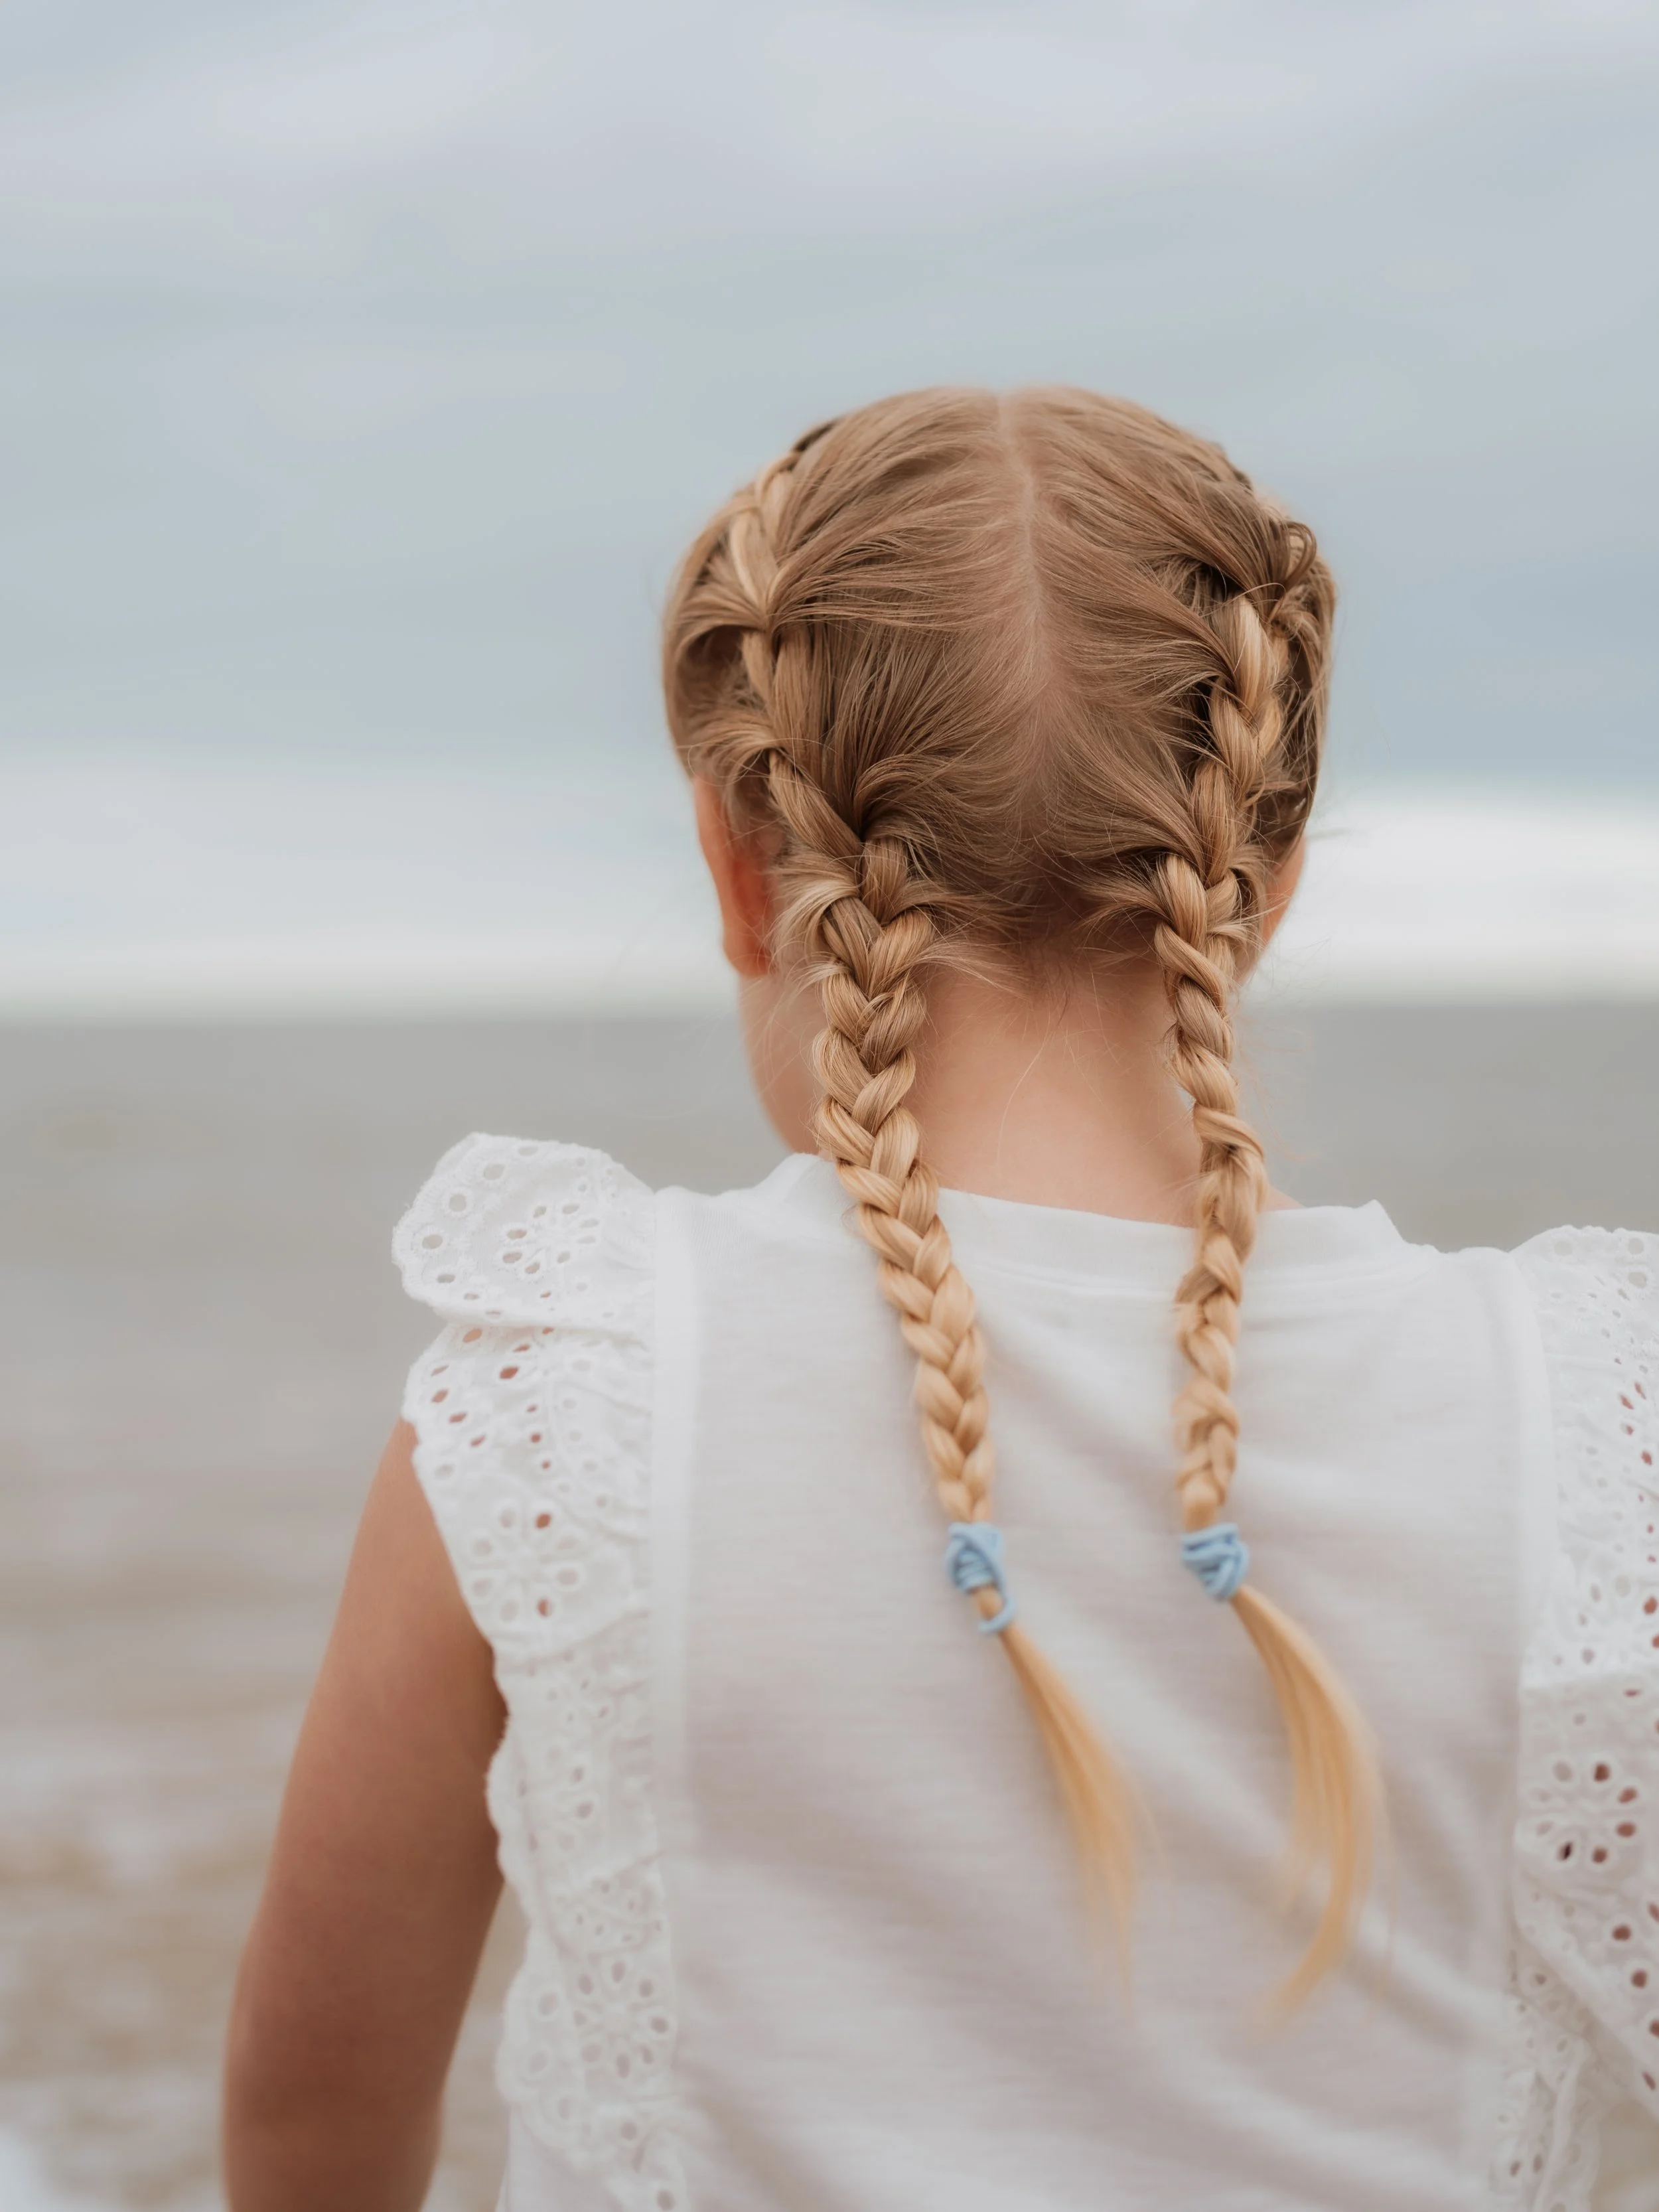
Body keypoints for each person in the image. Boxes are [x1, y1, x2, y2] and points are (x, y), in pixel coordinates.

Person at [221, 388, 1659, 2211]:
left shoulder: (555, 1406)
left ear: (741, 876)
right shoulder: (1580, 1424)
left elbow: (310, 2120)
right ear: (1263, 889)